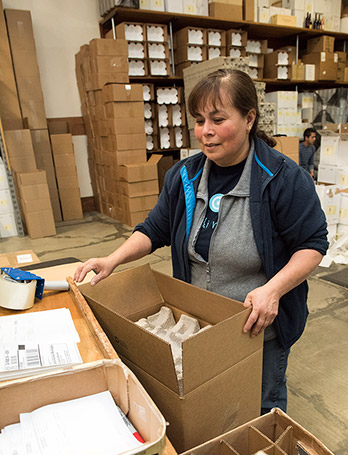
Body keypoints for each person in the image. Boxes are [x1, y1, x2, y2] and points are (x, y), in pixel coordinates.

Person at [74, 69, 328, 415]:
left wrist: (274, 290)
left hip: (256, 330)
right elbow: (155, 229)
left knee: (259, 409)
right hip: (200, 327)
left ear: (249, 118)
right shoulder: (185, 175)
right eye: (199, 120)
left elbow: (312, 244)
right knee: (213, 409)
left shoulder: (282, 179)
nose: (205, 132)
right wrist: (112, 260)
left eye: (218, 119)